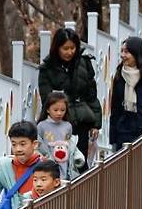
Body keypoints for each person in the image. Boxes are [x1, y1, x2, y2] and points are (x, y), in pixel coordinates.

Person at [38, 27, 102, 172]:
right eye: (65, 48)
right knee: (58, 162)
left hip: (82, 121)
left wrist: (96, 124)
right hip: (57, 123)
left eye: (72, 48)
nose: (69, 52)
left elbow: (92, 94)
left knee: (80, 162)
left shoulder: (84, 63)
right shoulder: (47, 69)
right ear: (57, 48)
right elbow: (46, 99)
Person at [37, 91, 85, 180]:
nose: (59, 113)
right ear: (47, 109)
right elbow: (38, 146)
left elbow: (70, 145)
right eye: (55, 110)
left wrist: (77, 157)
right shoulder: (41, 126)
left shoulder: (68, 126)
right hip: (47, 166)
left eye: (62, 110)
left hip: (66, 167)